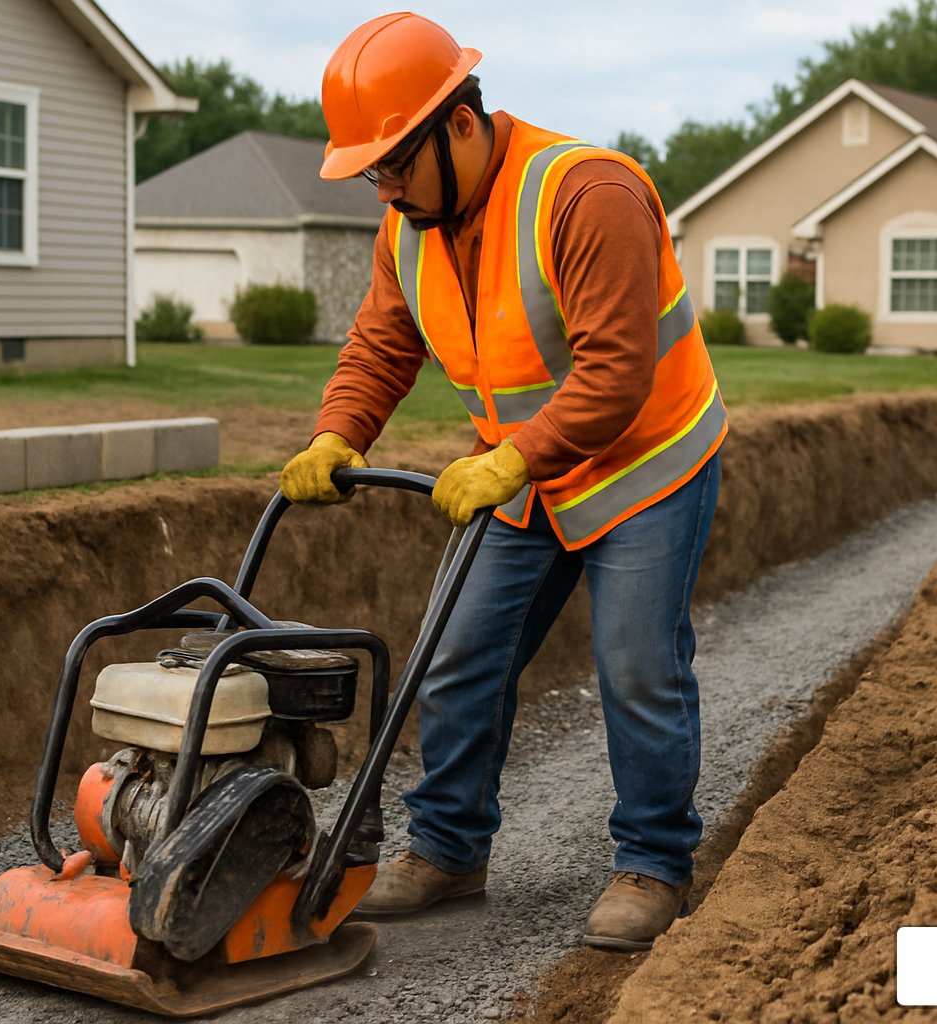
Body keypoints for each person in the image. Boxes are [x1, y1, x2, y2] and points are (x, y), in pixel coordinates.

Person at [280, 11, 727, 952]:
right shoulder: (408, 225)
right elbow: (382, 345)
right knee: (458, 656)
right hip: (523, 470)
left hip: (645, 464)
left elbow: (615, 372)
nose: (384, 188)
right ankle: (448, 850)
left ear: (461, 124)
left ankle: (654, 862)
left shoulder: (588, 193)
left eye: (394, 164)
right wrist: (334, 435)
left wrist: (512, 459)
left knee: (637, 665)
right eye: (371, 171)